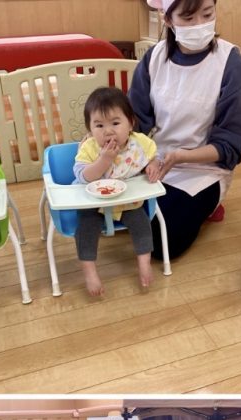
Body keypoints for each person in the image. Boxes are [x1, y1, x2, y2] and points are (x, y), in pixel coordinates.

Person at [131, 0, 241, 260]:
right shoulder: (153, 59)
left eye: (207, 14)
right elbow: (136, 121)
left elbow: (231, 143)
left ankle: (210, 204)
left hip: (203, 170)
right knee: (110, 210)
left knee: (161, 243)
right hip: (153, 163)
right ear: (168, 20)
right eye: (188, 18)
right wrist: (143, 156)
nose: (200, 24)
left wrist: (180, 156)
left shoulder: (231, 64)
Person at [73, 86, 158, 296]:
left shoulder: (140, 144)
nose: (108, 131)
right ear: (90, 129)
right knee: (85, 228)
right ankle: (89, 272)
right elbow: (82, 176)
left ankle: (144, 264)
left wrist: (152, 165)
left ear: (131, 123)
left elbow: (153, 157)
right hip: (94, 204)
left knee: (142, 224)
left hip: (127, 201)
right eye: (99, 125)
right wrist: (104, 160)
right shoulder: (90, 148)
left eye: (115, 123)